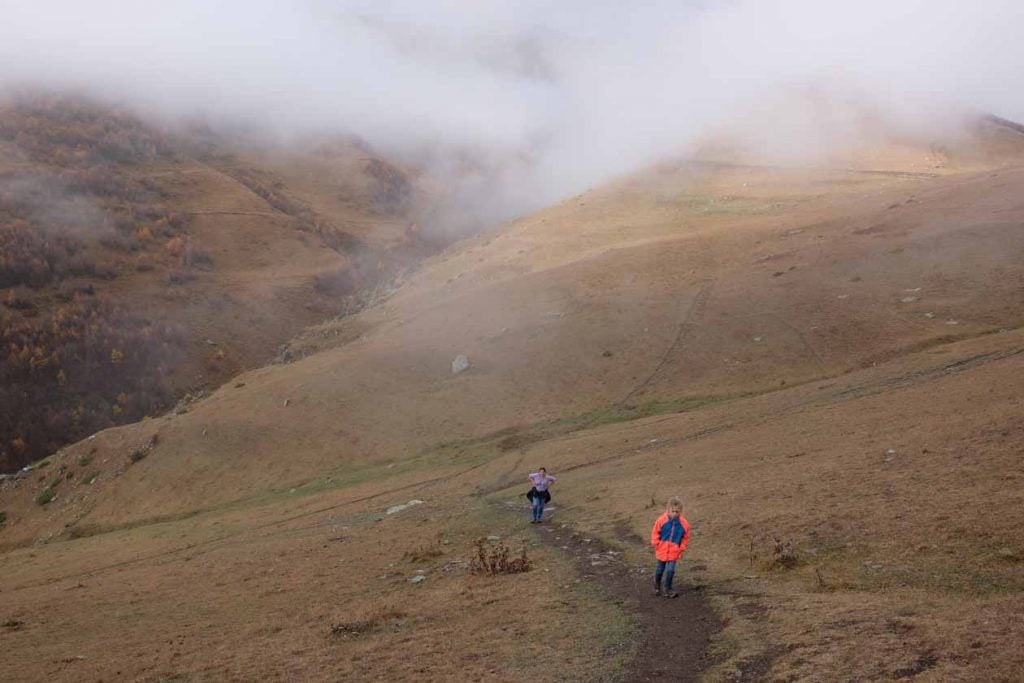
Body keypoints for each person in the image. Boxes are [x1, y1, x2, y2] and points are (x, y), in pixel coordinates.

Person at [650, 497, 690, 598]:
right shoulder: (661, 520)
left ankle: (668, 588)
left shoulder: (684, 524)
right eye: (673, 511)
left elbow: (685, 537)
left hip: (674, 551)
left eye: (677, 511)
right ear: (668, 509)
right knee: (659, 569)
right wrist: (656, 544)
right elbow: (655, 532)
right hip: (661, 550)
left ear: (681, 511)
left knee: (670, 570)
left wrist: (681, 548)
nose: (675, 514)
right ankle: (657, 585)